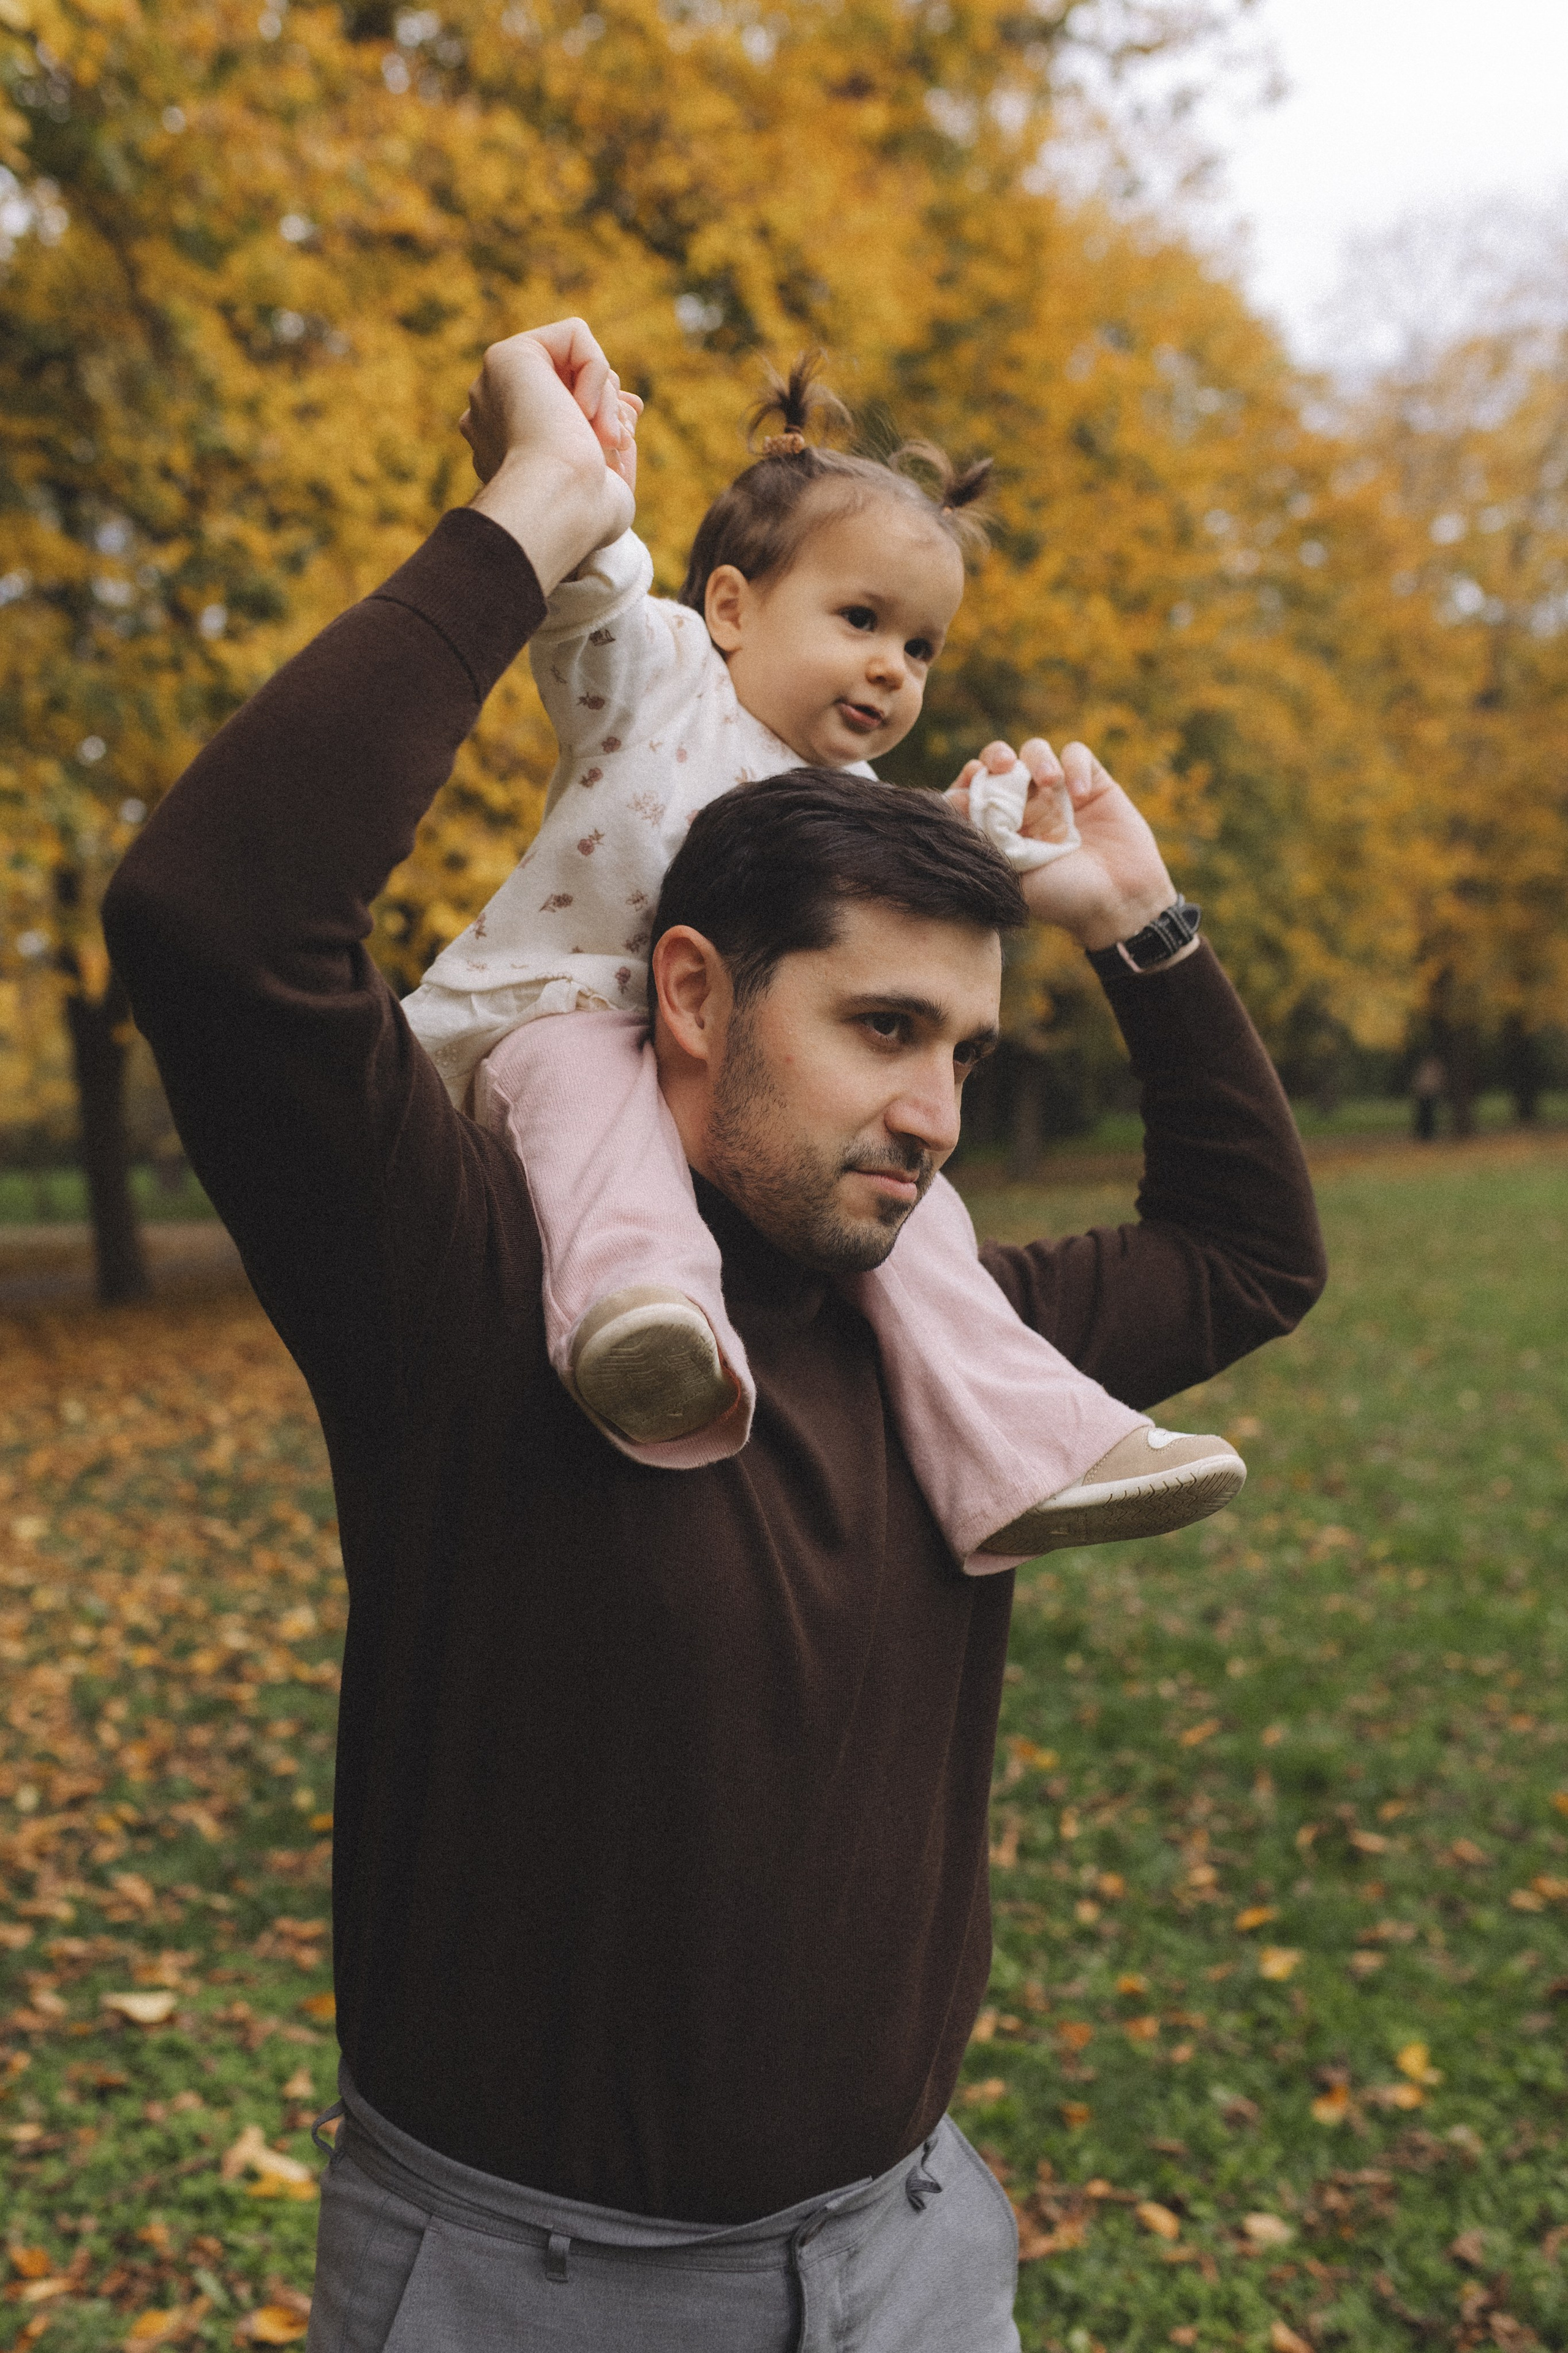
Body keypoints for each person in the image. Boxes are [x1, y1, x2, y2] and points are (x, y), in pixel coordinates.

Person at [104, 319, 1327, 2352]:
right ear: (689, 994)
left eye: (962, 1048)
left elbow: (1247, 1256)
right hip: (523, 2287)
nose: (937, 1110)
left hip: (907, 2256)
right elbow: (218, 917)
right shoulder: (464, 1281)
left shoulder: (953, 1339)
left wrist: (1143, 926)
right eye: (878, 1028)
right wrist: (533, 519)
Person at [401, 340, 1242, 1568]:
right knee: (594, 1120)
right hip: (570, 1008)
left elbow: (908, 896)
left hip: (727, 1067)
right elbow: (586, 596)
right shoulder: (665, 673)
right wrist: (567, 483)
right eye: (860, 619)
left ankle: (1028, 1441)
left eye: (920, 648)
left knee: (929, 1232)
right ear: (734, 606)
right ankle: (645, 1325)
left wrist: (1005, 837)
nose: (890, 668)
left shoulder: (853, 795)